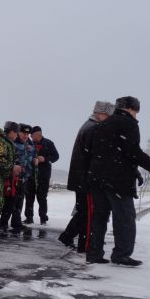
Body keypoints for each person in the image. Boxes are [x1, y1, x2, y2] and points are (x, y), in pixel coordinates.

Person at [86, 96, 150, 266]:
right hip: (118, 179)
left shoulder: (102, 124)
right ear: (130, 109)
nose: (136, 115)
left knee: (99, 217)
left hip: (97, 178)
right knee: (125, 218)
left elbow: (95, 151)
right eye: (136, 111)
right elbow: (132, 151)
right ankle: (121, 254)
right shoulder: (128, 124)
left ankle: (94, 253)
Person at [59, 101, 115, 251]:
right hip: (86, 179)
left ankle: (68, 236)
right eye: (108, 115)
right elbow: (94, 156)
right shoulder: (94, 128)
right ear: (100, 113)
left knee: (84, 212)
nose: (109, 119)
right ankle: (85, 246)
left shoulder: (88, 126)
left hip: (81, 178)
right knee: (88, 214)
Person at [1, 123, 35, 231]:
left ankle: (16, 222)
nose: (25, 135)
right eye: (23, 133)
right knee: (10, 201)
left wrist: (36, 160)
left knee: (20, 201)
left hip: (24, 177)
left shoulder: (30, 145)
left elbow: (32, 158)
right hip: (12, 178)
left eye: (27, 133)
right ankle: (3, 223)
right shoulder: (12, 144)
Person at [24, 125, 59, 225]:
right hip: (30, 175)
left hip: (43, 175)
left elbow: (56, 156)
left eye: (32, 135)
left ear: (37, 134)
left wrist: (45, 159)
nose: (30, 136)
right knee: (29, 197)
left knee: (41, 197)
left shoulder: (48, 143)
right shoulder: (29, 144)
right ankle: (29, 218)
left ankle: (43, 219)